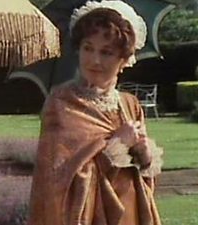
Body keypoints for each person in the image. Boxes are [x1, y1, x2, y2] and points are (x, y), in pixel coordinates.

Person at [28, 1, 163, 225]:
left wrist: (144, 155)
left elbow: (144, 182)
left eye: (106, 52)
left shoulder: (130, 105)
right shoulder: (61, 103)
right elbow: (55, 182)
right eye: (88, 48)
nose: (95, 60)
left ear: (124, 59)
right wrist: (116, 145)